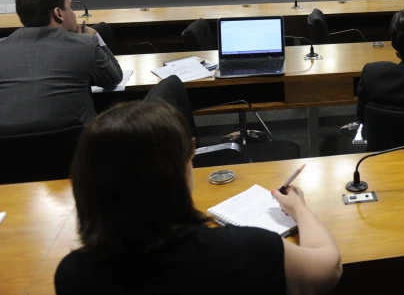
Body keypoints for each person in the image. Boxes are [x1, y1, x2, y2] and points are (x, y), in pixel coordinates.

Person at [54, 101, 342, 295]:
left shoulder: (72, 275)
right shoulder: (248, 249)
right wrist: (300, 210)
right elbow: (328, 268)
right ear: (175, 172)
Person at [0, 0, 122, 135]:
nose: (74, 14)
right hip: (75, 148)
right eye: (70, 8)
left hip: (8, 152)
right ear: (58, 13)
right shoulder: (84, 45)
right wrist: (96, 37)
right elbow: (114, 77)